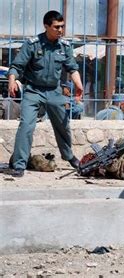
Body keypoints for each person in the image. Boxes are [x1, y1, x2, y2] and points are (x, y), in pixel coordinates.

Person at [6, 10, 84, 177]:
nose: (60, 30)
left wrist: (78, 84)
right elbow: (16, 66)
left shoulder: (64, 47)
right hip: (33, 90)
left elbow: (72, 68)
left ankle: (69, 156)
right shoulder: (33, 44)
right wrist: (12, 80)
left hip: (54, 91)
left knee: (63, 125)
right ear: (46, 26)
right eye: (56, 27)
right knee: (26, 126)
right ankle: (20, 164)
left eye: (62, 27)